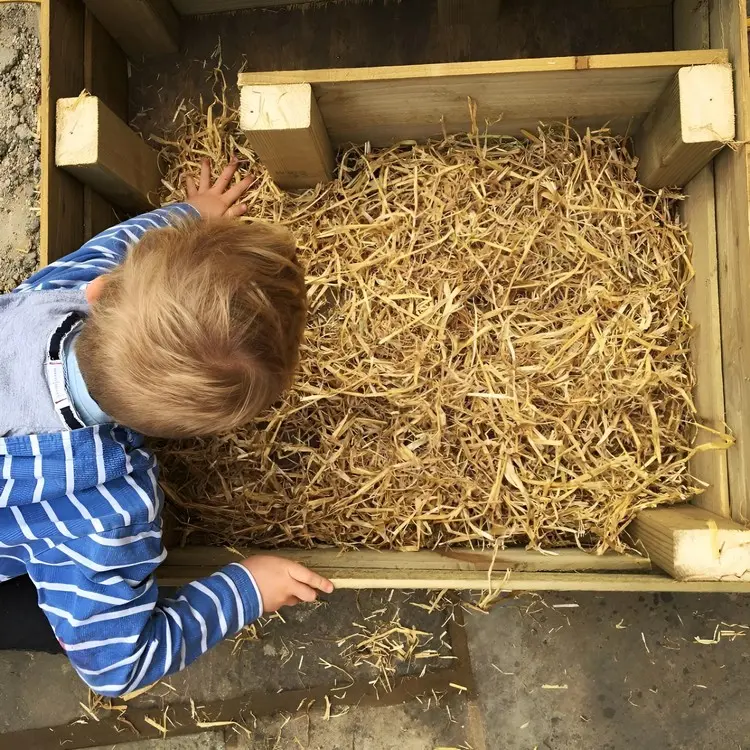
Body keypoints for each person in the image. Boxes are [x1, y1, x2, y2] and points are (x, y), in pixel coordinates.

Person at [0, 158, 333, 697]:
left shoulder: (45, 300)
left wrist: (188, 215)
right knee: (63, 621)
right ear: (192, 432)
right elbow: (117, 668)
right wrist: (245, 590)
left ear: (104, 292)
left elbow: (111, 250)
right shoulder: (106, 513)